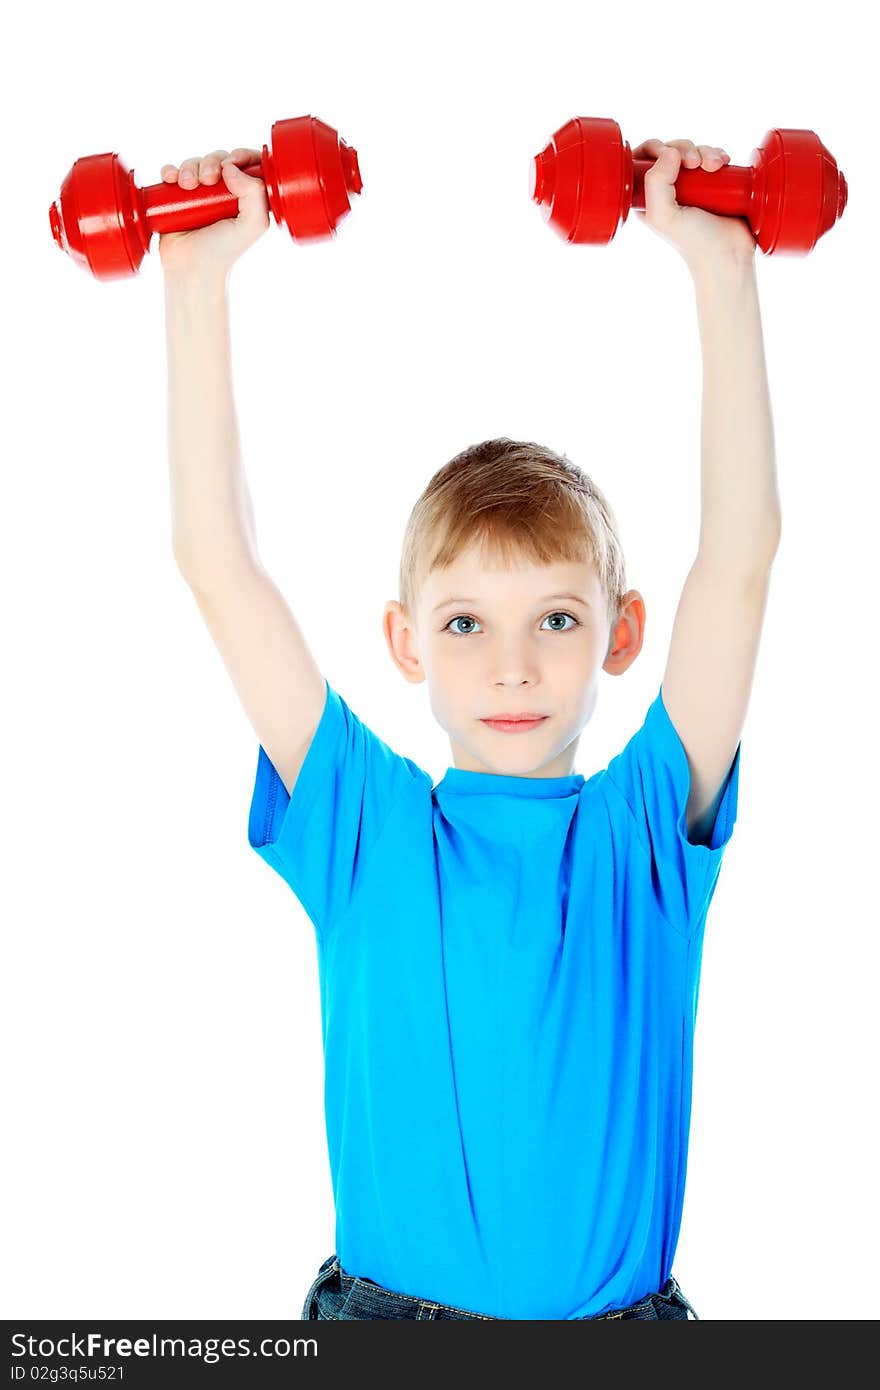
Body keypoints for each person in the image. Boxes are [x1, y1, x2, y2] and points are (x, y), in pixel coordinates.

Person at [160, 135, 779, 1320]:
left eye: (555, 615)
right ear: (403, 643)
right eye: (462, 623)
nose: (510, 663)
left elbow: (739, 563)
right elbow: (217, 562)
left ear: (619, 631)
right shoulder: (364, 821)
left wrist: (722, 270)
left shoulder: (642, 830)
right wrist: (196, 284)